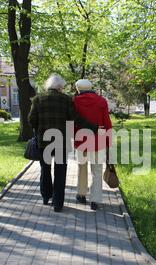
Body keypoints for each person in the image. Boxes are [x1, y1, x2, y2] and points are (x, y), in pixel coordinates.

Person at [29, 74, 98, 213]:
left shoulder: (38, 99)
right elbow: (75, 119)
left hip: (44, 141)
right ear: (60, 87)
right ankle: (58, 203)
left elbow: (31, 120)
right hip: (61, 141)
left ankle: (46, 196)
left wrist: (39, 128)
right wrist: (92, 127)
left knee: (45, 169)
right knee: (60, 171)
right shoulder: (66, 100)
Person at [73, 79, 113, 211]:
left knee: (81, 168)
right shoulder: (101, 101)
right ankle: (95, 200)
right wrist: (108, 141)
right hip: (98, 139)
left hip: (81, 139)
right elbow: (107, 122)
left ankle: (81, 194)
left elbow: (72, 122)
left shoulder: (74, 101)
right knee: (96, 170)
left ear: (78, 89)